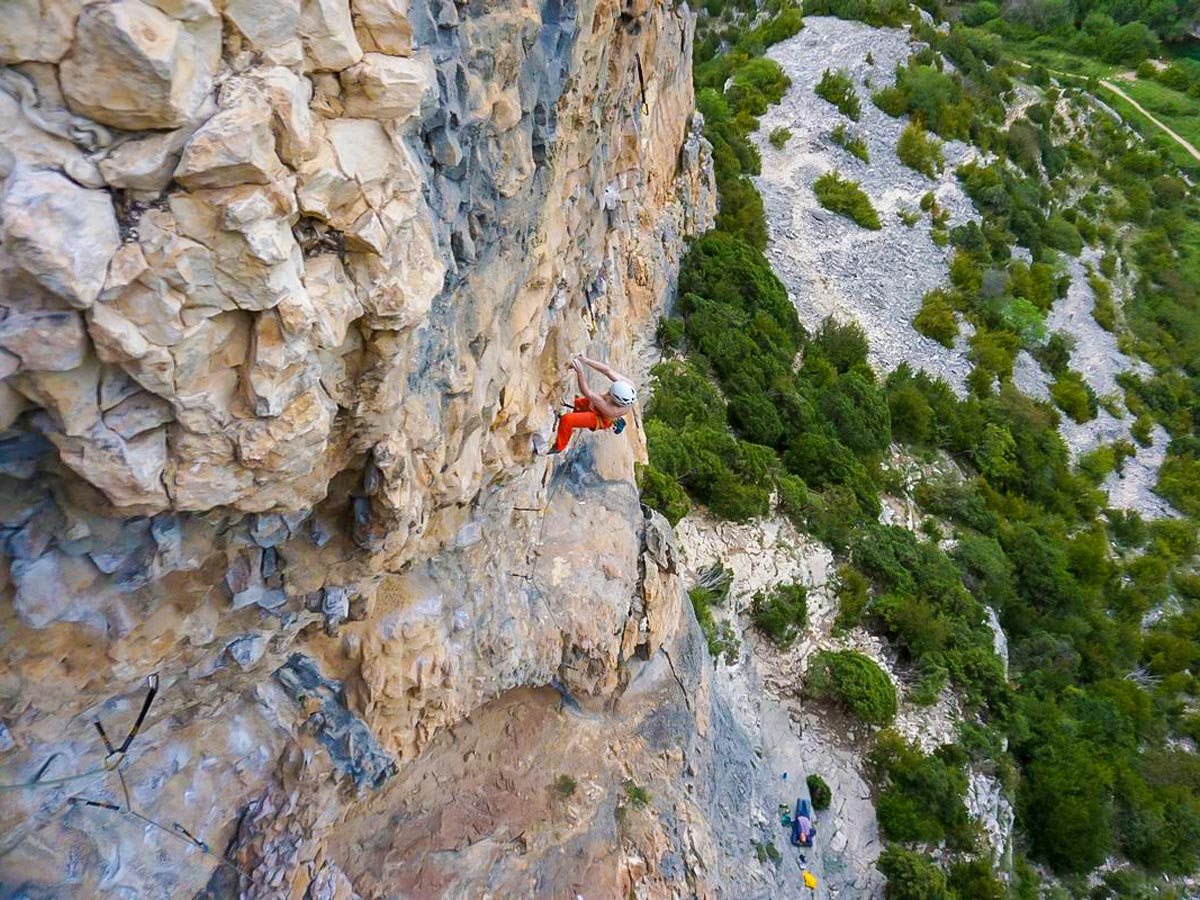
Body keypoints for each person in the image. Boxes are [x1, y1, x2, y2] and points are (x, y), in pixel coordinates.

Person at [540, 355, 637, 455]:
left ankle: (560, 446)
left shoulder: (612, 410)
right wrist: (586, 360)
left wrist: (580, 372)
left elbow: (587, 392)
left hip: (599, 419)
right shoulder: (628, 386)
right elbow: (607, 370)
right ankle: (569, 419)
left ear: (616, 400)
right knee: (577, 403)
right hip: (602, 407)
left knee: (567, 419)